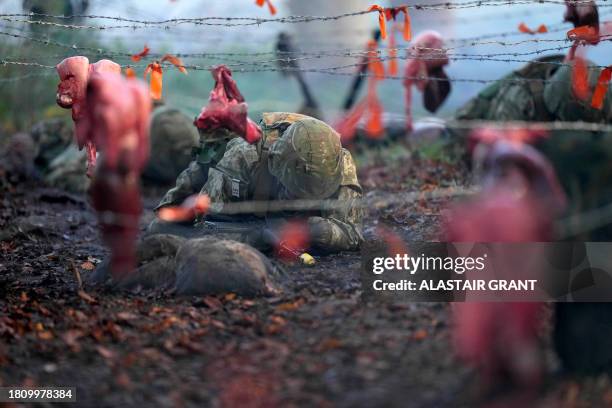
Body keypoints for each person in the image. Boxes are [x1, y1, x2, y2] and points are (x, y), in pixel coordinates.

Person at [152, 112, 364, 254]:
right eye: (296, 191)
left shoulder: (339, 162)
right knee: (160, 228)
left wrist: (316, 230)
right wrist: (259, 235)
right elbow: (205, 226)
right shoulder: (245, 156)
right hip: (226, 184)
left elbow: (353, 234)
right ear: (276, 165)